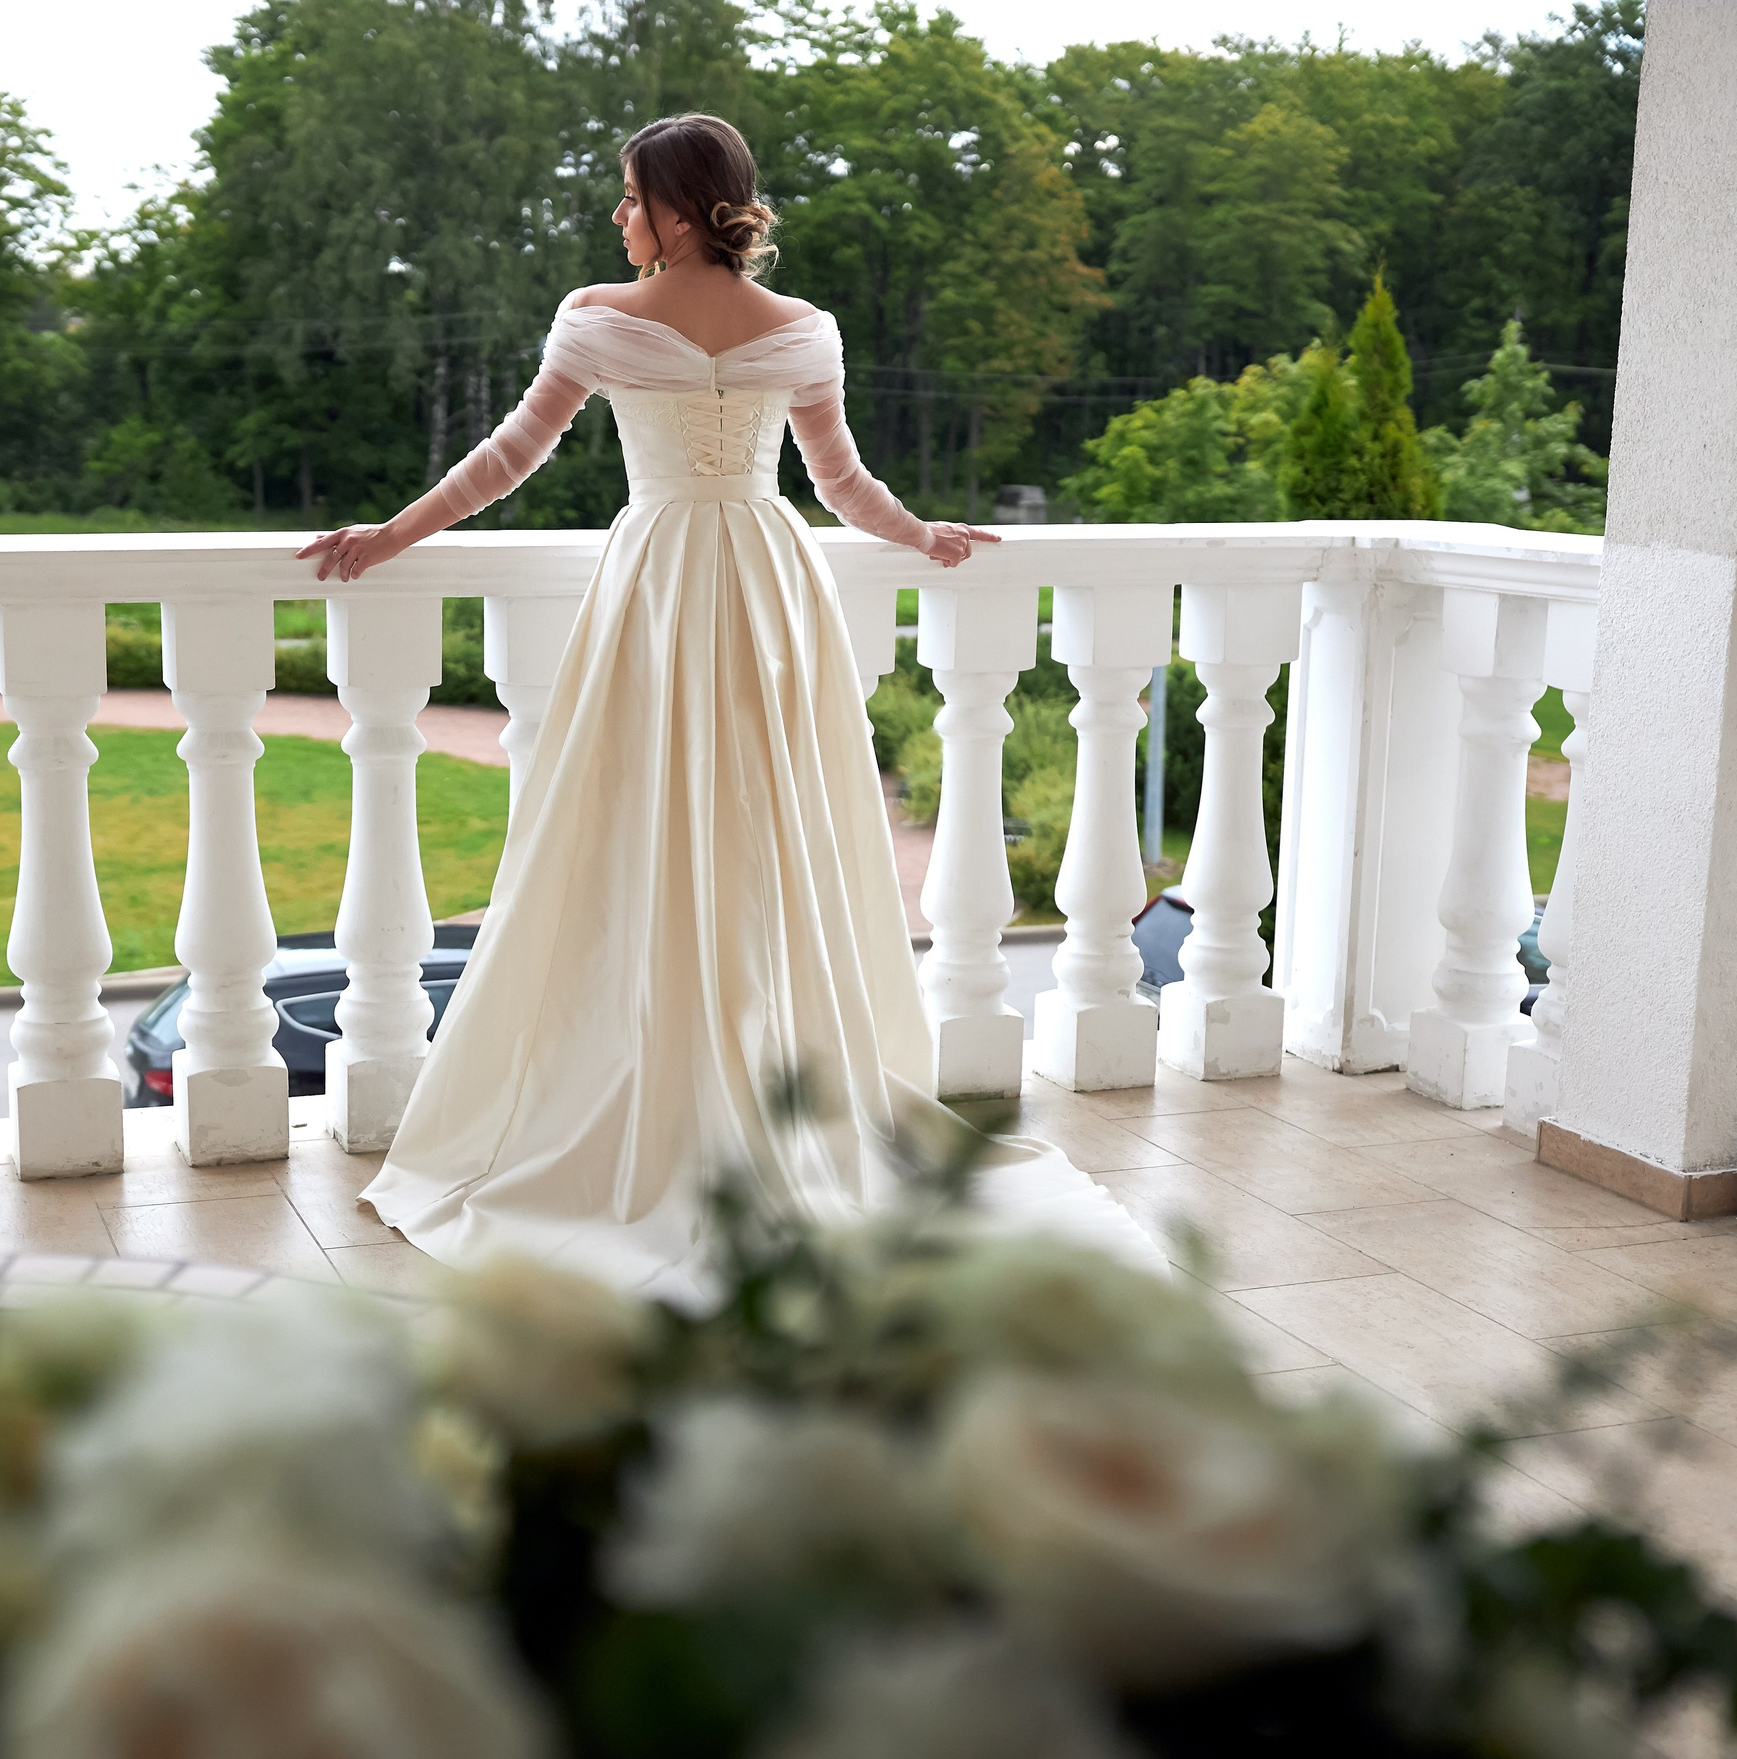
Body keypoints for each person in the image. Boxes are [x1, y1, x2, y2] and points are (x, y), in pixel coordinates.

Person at [299, 113, 1160, 1294]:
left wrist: (391, 532)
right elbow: (841, 483)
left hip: (659, 579)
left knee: (637, 828)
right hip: (763, 577)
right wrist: (918, 533)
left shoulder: (599, 315)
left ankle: (662, 1094)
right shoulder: (801, 329)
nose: (616, 216)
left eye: (628, 196)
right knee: (765, 832)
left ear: (677, 207)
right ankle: (751, 1088)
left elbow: (510, 455)